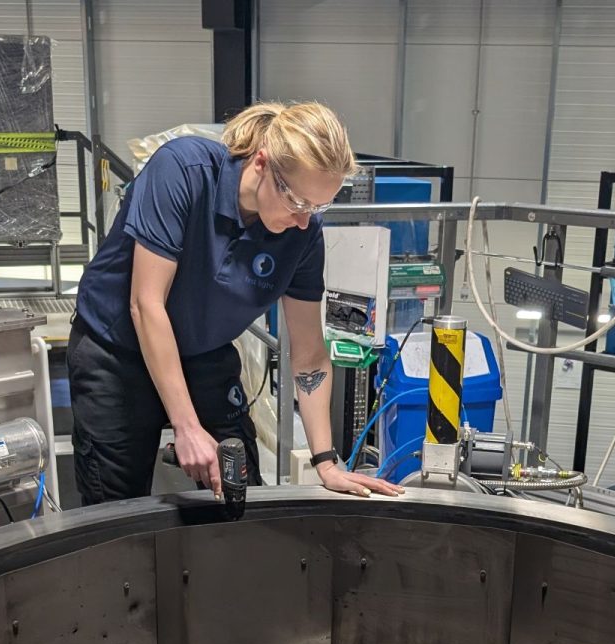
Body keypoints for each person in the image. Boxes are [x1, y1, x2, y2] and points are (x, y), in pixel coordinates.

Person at [69, 100, 404, 504]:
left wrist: (326, 462)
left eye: (318, 207)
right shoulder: (183, 171)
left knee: (238, 488)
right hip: (117, 351)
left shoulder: (302, 233)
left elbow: (309, 355)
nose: (304, 220)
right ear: (262, 164)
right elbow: (146, 303)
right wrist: (187, 426)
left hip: (202, 352)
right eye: (298, 202)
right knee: (115, 511)